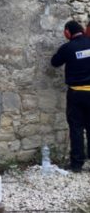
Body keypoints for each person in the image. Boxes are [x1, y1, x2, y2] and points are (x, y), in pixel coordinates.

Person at [51, 20, 90, 172]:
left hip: (77, 93)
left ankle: (76, 164)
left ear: (68, 32)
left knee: (76, 128)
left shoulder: (67, 48)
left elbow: (55, 62)